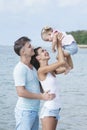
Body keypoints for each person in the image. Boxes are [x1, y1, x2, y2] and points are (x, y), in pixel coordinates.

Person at [13, 36, 55, 130]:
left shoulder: (32, 67)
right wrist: (42, 96)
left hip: (34, 111)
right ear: (23, 52)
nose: (32, 47)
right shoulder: (20, 68)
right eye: (29, 46)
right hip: (25, 112)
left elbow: (37, 86)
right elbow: (21, 92)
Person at [31, 37, 66, 130]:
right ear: (38, 57)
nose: (46, 51)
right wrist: (58, 44)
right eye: (42, 51)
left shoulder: (51, 70)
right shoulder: (41, 70)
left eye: (45, 49)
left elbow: (67, 67)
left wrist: (66, 51)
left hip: (55, 109)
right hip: (50, 110)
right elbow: (62, 62)